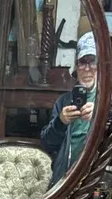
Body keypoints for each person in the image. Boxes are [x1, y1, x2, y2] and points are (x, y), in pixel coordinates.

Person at [40, 31, 98, 185]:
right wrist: (60, 122)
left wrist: (98, 117)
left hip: (96, 178)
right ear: (76, 66)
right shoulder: (63, 101)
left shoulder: (107, 100)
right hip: (64, 178)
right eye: (82, 62)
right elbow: (47, 144)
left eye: (92, 61)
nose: (87, 69)